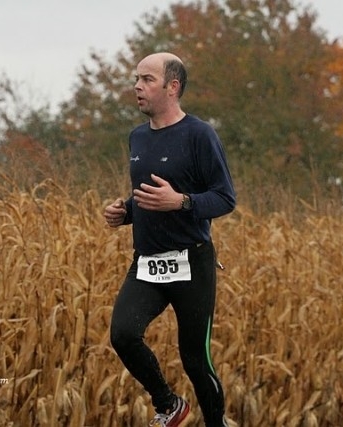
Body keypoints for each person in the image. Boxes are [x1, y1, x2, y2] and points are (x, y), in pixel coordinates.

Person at [104, 52, 236, 427]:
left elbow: (224, 198)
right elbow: (149, 198)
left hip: (191, 262)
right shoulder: (137, 137)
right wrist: (125, 212)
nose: (137, 86)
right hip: (148, 262)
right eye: (136, 79)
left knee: (195, 360)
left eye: (147, 79)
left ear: (172, 87)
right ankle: (169, 405)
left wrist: (181, 201)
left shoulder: (199, 135)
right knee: (123, 335)